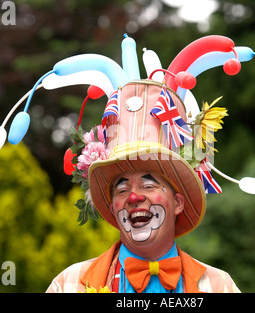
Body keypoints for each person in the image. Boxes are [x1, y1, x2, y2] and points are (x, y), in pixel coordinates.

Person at [46, 80, 240, 293]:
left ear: (177, 203)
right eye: (122, 190)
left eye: (148, 186)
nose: (133, 197)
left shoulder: (220, 286)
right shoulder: (69, 285)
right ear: (112, 209)